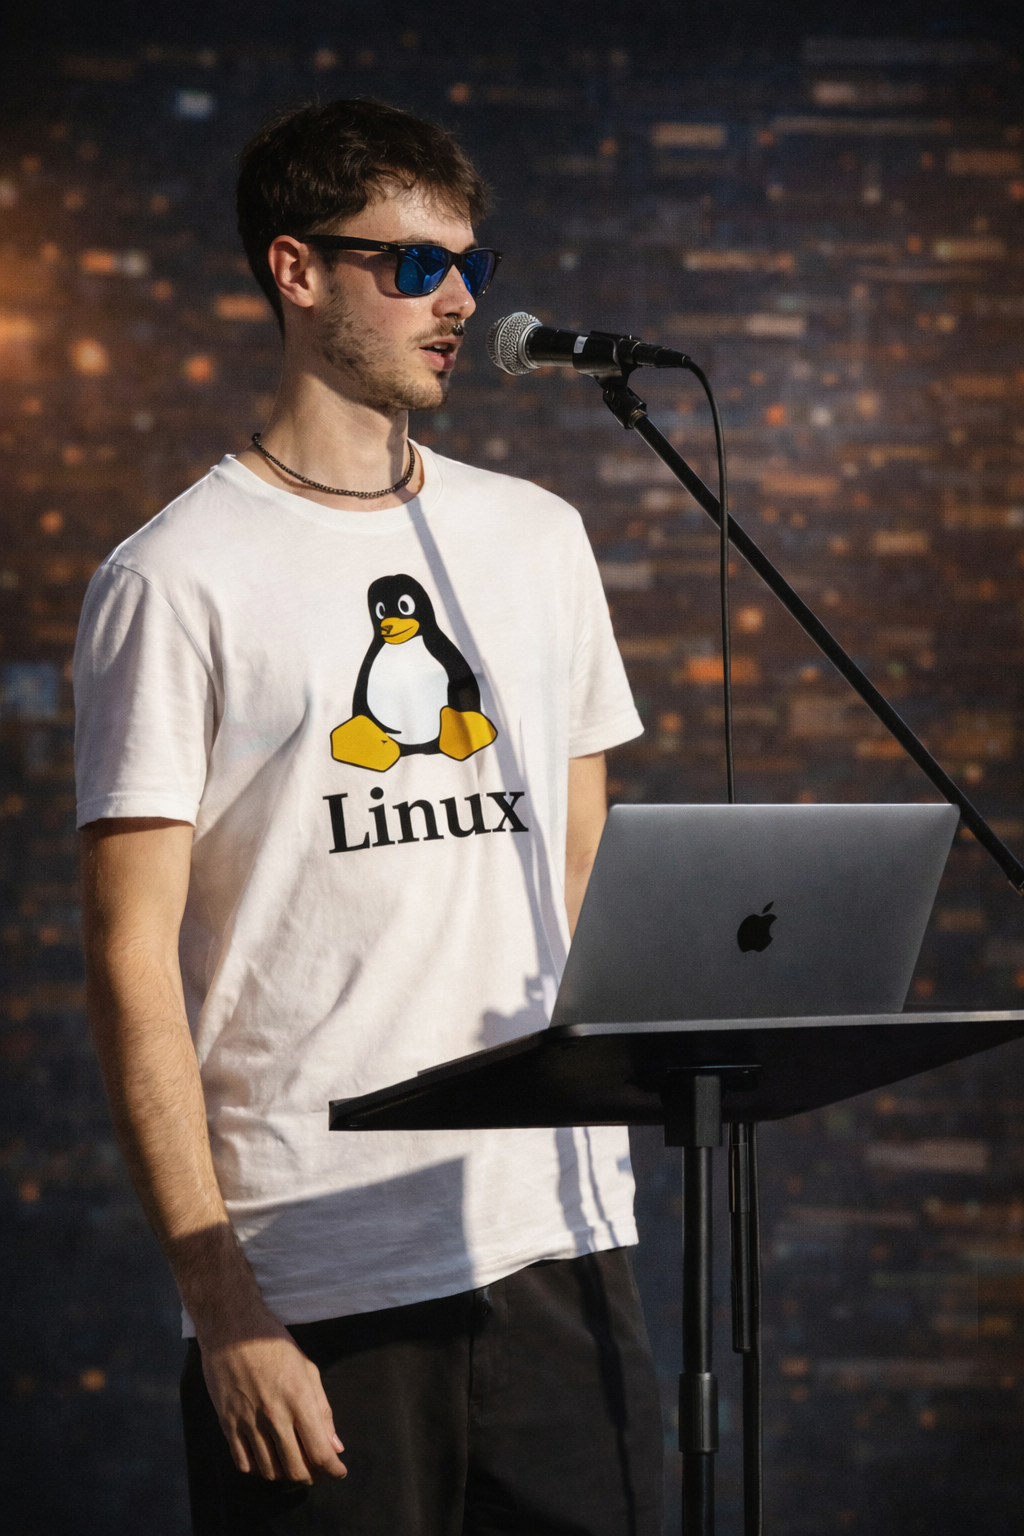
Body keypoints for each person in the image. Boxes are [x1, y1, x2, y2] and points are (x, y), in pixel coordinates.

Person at [75, 97, 663, 1536]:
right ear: (295, 272)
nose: (460, 298)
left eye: (468, 261)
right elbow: (129, 961)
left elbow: (585, 872)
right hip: (317, 1268)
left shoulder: (535, 540)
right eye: (413, 265)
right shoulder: (174, 579)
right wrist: (223, 1305)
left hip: (559, 1243)